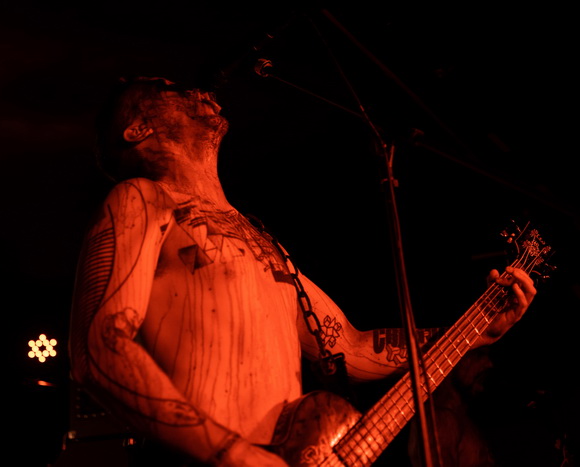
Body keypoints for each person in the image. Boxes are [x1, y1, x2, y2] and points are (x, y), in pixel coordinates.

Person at [67, 76, 536, 466]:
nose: (196, 88)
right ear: (138, 128)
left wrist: (476, 331)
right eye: (169, 87)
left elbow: (350, 347)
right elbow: (100, 345)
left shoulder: (263, 240)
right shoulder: (142, 199)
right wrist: (233, 454)